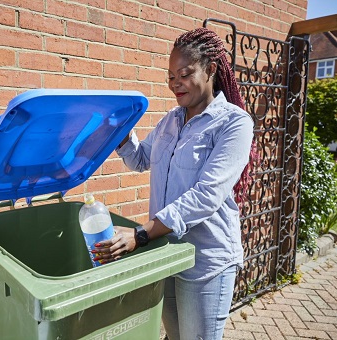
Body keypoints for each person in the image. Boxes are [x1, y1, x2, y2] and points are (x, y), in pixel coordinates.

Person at [93, 27, 257, 340]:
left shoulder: (234, 123)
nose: (174, 83)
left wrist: (141, 235)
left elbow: (207, 195)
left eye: (183, 74)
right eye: (170, 75)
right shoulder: (170, 119)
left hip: (206, 262)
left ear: (210, 70)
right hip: (168, 252)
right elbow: (141, 159)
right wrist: (121, 133)